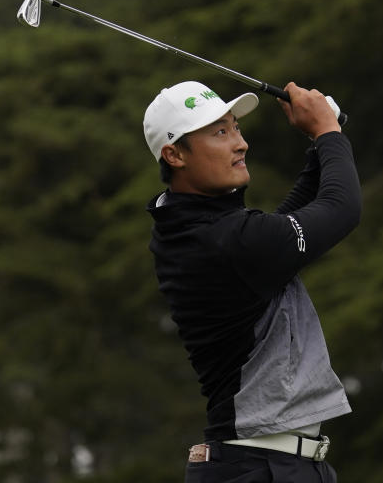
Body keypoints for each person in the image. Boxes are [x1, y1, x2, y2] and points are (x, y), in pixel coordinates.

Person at [143, 80, 362, 483]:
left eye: (235, 128)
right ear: (174, 154)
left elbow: (281, 232)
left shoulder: (192, 228)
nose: (240, 144)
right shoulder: (226, 239)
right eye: (219, 132)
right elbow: (341, 208)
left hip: (265, 465)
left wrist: (322, 144)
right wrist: (327, 133)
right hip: (260, 468)